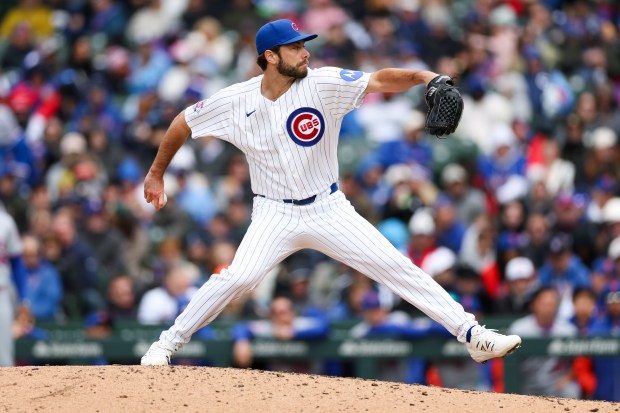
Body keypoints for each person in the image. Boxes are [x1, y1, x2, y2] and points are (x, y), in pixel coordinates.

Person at [140, 19, 522, 366]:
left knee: (395, 265)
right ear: (270, 57)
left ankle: (472, 334)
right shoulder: (235, 100)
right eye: (295, 47)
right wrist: (157, 174)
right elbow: (182, 122)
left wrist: (426, 76)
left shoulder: (322, 84)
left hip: (327, 208)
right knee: (238, 278)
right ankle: (166, 345)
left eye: (304, 44)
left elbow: (380, 79)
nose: (305, 52)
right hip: (273, 213)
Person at [0, 203, 29, 366]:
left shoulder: (5, 221)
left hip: (1, 294)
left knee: (4, 360)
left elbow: (17, 262)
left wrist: (23, 298)